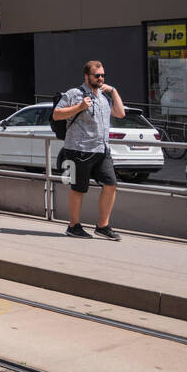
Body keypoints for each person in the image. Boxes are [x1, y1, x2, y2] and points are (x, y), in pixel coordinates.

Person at [54, 60, 126, 240]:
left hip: (102, 150)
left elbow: (120, 113)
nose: (101, 78)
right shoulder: (74, 94)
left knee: (111, 185)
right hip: (79, 150)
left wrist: (114, 91)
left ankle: (102, 226)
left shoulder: (103, 97)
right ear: (87, 76)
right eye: (97, 75)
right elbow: (56, 114)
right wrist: (79, 107)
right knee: (78, 189)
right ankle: (74, 226)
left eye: (103, 75)